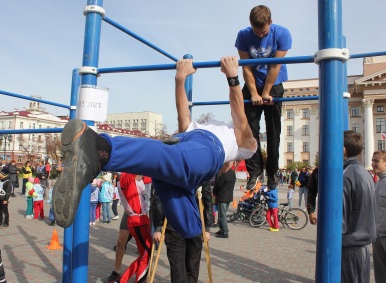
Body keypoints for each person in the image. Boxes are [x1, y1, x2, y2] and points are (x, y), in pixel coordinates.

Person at [52, 56, 257, 240]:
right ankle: (101, 151)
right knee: (173, 157)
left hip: (190, 160)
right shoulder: (238, 141)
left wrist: (183, 79)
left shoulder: (242, 148)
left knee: (191, 229)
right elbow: (234, 110)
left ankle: (110, 155)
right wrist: (224, 77)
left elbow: (226, 111)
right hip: (196, 147)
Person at [235, 5, 292, 191]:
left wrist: (266, 92)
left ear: (270, 23)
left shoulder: (282, 34)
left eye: (264, 31)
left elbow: (275, 66)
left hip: (274, 85)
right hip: (252, 83)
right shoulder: (243, 36)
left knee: (273, 131)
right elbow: (246, 67)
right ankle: (255, 172)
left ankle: (272, 172)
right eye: (256, 31)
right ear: (251, 25)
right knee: (249, 130)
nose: (260, 36)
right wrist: (253, 93)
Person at [152, 180, 212, 283]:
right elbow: (208, 200)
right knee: (190, 264)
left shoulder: (166, 169)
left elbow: (157, 199)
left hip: (178, 223)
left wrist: (207, 228)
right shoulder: (200, 171)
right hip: (191, 224)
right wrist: (207, 227)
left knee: (178, 266)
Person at [342, 131, 376, 283]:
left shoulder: (345, 175)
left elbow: (339, 219)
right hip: (361, 245)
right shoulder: (363, 172)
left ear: (343, 150)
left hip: (349, 245)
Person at [107, 173, 152, 283]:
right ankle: (117, 273)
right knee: (122, 242)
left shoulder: (149, 176)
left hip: (146, 213)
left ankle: (126, 278)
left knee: (146, 252)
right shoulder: (127, 176)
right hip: (133, 214)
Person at [371, 150, 386, 283]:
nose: (373, 163)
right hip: (377, 236)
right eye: (372, 160)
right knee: (380, 274)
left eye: (376, 161)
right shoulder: (377, 182)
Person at [213, 161, 236, 238]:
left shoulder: (224, 173)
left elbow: (218, 184)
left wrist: (214, 192)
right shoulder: (233, 173)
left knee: (222, 215)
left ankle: (225, 232)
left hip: (222, 196)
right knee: (222, 214)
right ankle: (221, 229)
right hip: (229, 197)